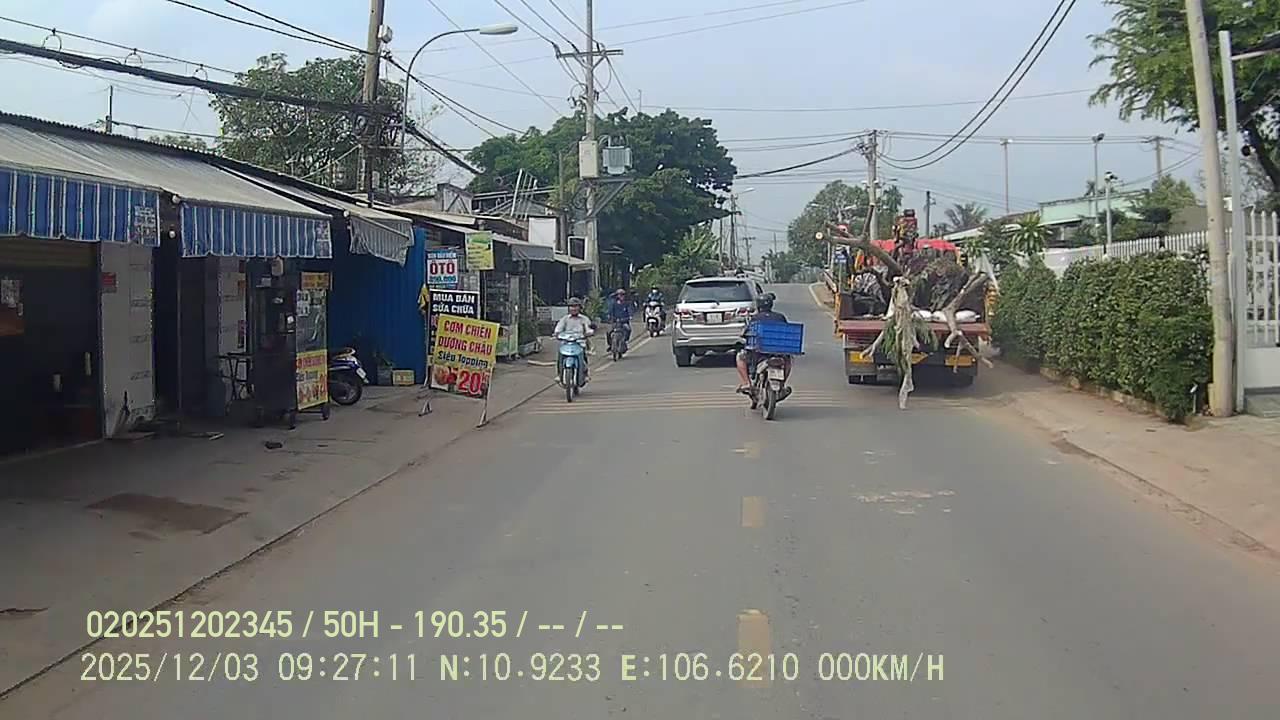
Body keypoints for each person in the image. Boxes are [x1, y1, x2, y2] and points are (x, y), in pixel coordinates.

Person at [736, 293, 793, 395]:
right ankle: (783, 384)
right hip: (777, 351)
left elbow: (747, 332)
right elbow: (786, 332)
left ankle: (747, 383)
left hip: (759, 351)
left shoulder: (755, 318)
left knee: (740, 358)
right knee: (788, 360)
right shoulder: (780, 317)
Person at [554, 298, 595, 379]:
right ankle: (559, 374)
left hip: (580, 342)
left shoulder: (584, 319)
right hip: (566, 342)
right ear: (569, 308)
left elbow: (588, 328)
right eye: (571, 306)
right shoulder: (565, 319)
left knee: (583, 355)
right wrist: (557, 334)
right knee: (560, 355)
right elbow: (558, 329)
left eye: (576, 306)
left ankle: (585, 373)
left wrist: (589, 332)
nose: (574, 308)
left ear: (579, 307)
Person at [607, 287, 632, 352]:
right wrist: (610, 317)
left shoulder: (626, 304)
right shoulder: (614, 304)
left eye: (623, 295)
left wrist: (629, 316)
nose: (621, 296)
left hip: (624, 322)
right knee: (609, 332)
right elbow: (610, 312)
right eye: (620, 295)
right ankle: (610, 344)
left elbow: (630, 311)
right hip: (615, 322)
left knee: (628, 329)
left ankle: (625, 341)